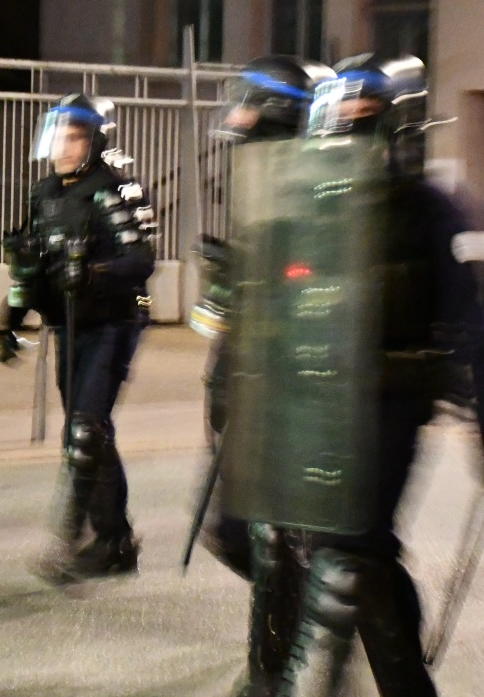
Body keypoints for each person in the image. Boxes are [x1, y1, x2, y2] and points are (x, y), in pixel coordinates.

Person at [216, 55, 484, 697]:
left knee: (352, 548)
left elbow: (472, 325)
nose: (350, 137)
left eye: (365, 121)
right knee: (318, 543)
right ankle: (292, 674)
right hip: (319, 397)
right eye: (342, 121)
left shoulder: (437, 211)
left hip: (394, 400)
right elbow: (284, 296)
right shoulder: (323, 203)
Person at [191, 55, 334, 695]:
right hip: (239, 380)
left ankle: (269, 674)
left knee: (275, 537)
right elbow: (216, 310)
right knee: (232, 536)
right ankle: (313, 593)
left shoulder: (324, 191)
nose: (240, 121)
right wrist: (224, 284)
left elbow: (327, 288)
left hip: (296, 387)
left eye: (253, 108)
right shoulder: (252, 188)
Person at [0, 93, 157, 583]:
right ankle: (115, 541)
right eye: (59, 136)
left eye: (76, 137)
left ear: (95, 141)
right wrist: (11, 317)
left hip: (113, 323)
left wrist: (94, 271)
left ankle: (65, 542)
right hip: (68, 325)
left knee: (85, 432)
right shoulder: (43, 194)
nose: (64, 146)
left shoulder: (115, 190)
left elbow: (141, 260)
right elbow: (31, 266)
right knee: (88, 432)